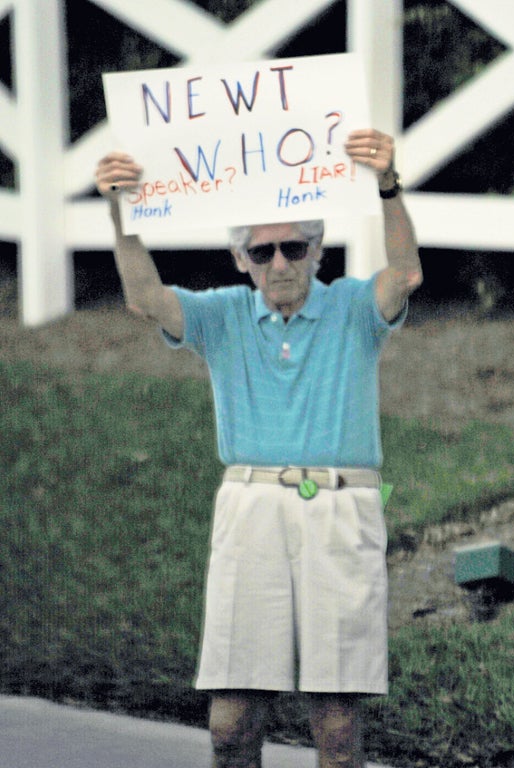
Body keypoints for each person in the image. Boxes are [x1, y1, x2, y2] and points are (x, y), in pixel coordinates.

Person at [94, 128, 421, 768]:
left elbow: (404, 271)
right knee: (231, 724)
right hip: (250, 510)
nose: (278, 263)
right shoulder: (222, 316)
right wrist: (119, 209)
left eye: (293, 247)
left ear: (317, 251)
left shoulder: (355, 308)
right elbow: (144, 298)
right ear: (240, 259)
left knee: (335, 726)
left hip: (340, 507)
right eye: (261, 250)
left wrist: (387, 184)